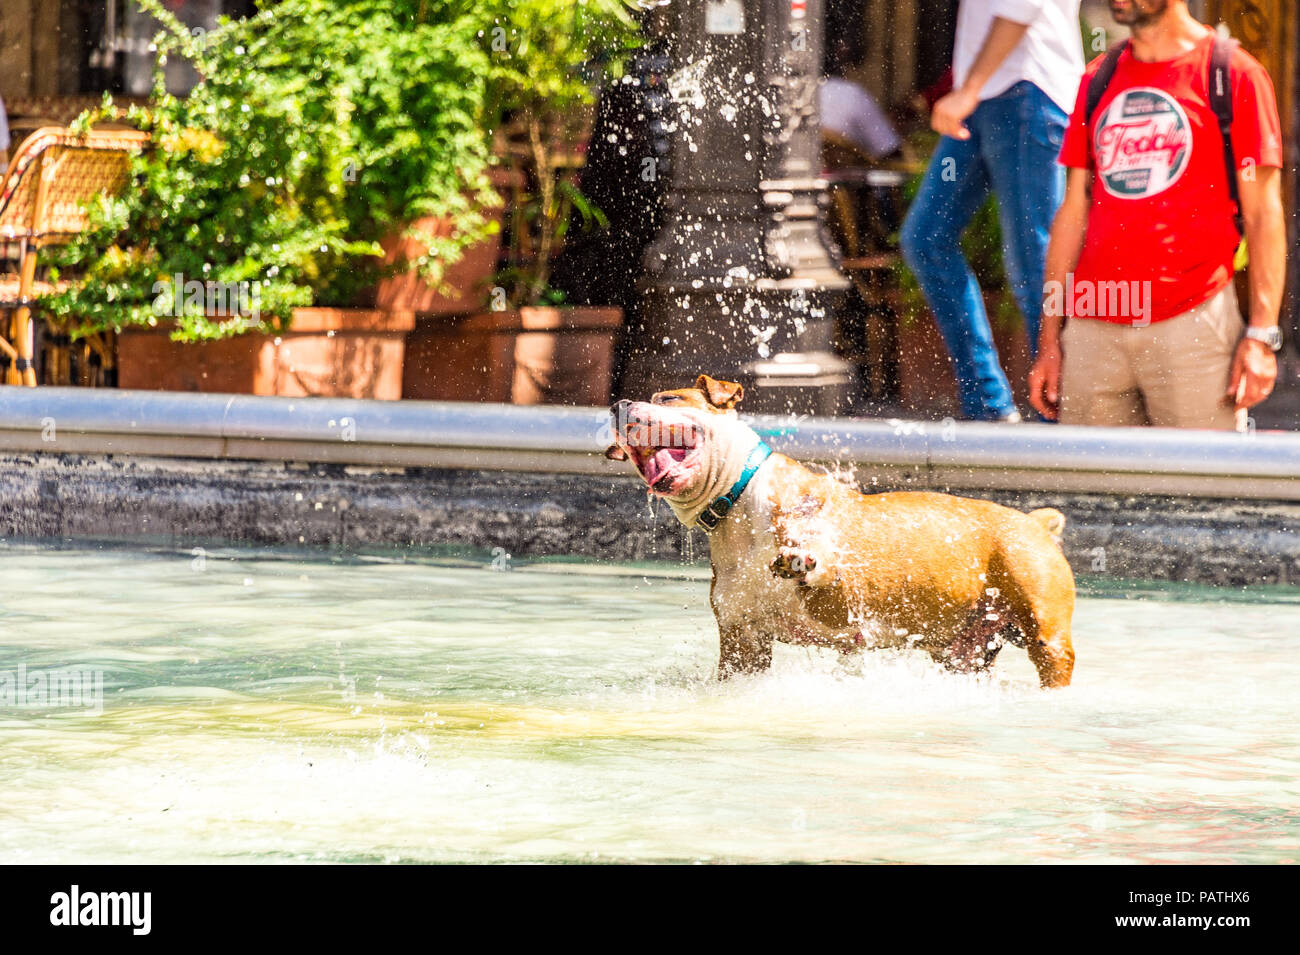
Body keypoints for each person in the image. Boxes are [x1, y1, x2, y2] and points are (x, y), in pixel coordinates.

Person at [1028, 0, 1284, 430]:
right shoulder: (1096, 79)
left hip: (1193, 323)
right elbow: (1072, 212)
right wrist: (1050, 338)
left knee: (1203, 490)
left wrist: (1261, 336)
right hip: (1094, 326)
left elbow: (1264, 216)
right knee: (1089, 492)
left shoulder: (1234, 74)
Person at [901, 1, 1084, 421]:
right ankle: (988, 406)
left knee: (1034, 261)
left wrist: (966, 90)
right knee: (926, 239)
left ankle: (1058, 418)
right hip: (987, 99)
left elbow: (1024, 6)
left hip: (1027, 95)